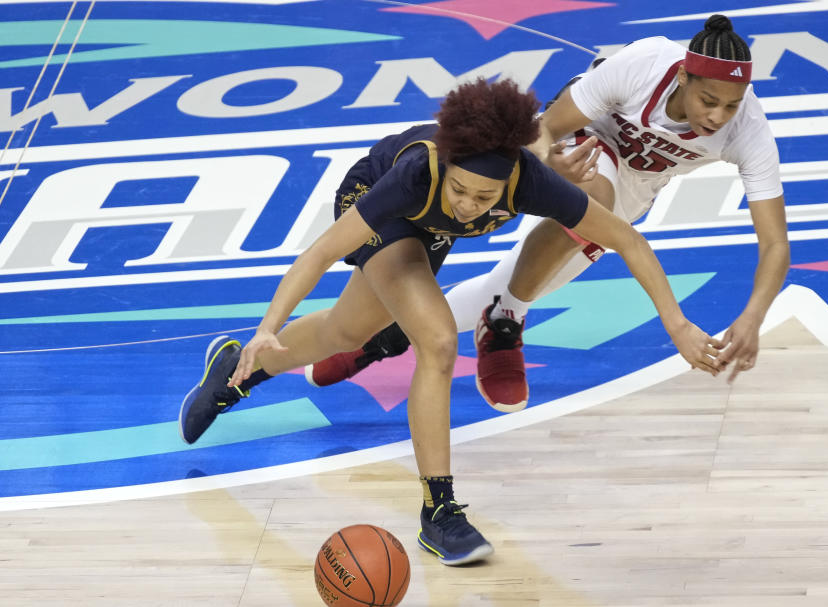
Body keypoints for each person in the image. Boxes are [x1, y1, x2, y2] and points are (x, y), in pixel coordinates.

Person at [178, 78, 722, 566]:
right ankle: (439, 512)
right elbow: (319, 253)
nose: (467, 205)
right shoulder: (418, 174)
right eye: (459, 190)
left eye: (483, 197)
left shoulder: (531, 179)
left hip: (428, 226)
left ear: (512, 182)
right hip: (380, 202)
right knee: (437, 340)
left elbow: (625, 237)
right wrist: (268, 324)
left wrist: (675, 323)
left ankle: (238, 371)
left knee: (348, 333)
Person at [306, 14, 789, 412]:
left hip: (638, 187)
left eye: (731, 105)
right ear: (683, 76)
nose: (718, 116)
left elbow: (774, 244)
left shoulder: (748, 130)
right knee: (592, 195)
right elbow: (547, 126)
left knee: (531, 279)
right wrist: (543, 162)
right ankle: (504, 322)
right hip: (577, 143)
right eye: (709, 100)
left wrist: (752, 316)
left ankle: (389, 335)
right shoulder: (644, 63)